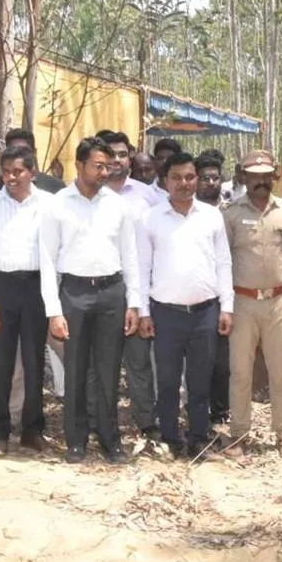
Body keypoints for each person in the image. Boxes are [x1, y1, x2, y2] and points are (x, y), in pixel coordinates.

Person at [40, 136, 139, 464]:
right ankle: (76, 440)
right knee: (76, 369)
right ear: (79, 165)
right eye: (98, 166)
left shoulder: (117, 205)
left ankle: (110, 439)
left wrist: (134, 303)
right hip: (75, 293)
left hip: (112, 293)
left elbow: (131, 257)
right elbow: (47, 260)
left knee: (109, 370)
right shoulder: (57, 205)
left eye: (108, 167)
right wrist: (54, 311)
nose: (104, 172)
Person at [137, 152, 233, 458]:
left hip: (206, 312)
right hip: (165, 314)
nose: (184, 183)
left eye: (190, 177)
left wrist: (227, 307)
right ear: (164, 181)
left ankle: (197, 437)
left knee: (200, 382)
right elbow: (141, 268)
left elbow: (224, 263)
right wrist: (143, 312)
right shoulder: (150, 218)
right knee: (166, 382)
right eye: (176, 177)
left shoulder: (212, 216)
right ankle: (169, 437)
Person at [221, 150, 282, 460]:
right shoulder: (231, 214)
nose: (261, 182)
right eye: (254, 176)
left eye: (266, 176)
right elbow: (222, 261)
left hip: (278, 302)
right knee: (240, 373)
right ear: (243, 177)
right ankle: (239, 435)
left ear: (275, 177)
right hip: (242, 303)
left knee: (279, 372)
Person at [0, 146, 53, 454]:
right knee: (0, 362)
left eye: (17, 171)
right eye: (6, 171)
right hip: (2, 287)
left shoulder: (49, 204)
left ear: (32, 172)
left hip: (36, 286)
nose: (10, 177)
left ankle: (32, 429)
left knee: (35, 360)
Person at [101, 132, 159, 440]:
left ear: (131, 157)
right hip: (100, 290)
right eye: (110, 154)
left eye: (122, 154)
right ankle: (101, 422)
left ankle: (146, 421)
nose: (116, 160)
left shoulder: (147, 195)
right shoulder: (88, 194)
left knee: (138, 362)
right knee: (101, 363)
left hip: (138, 290)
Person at [194, 151, 233, 425]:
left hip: (224, 296)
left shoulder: (231, 212)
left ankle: (220, 413)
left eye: (215, 178)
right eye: (205, 178)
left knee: (221, 362)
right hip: (196, 296)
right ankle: (195, 413)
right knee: (197, 362)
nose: (210, 182)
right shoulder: (186, 211)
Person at [5, 128, 64, 193]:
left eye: (24, 151)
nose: (18, 155)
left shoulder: (55, 185)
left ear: (34, 152)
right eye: (14, 150)